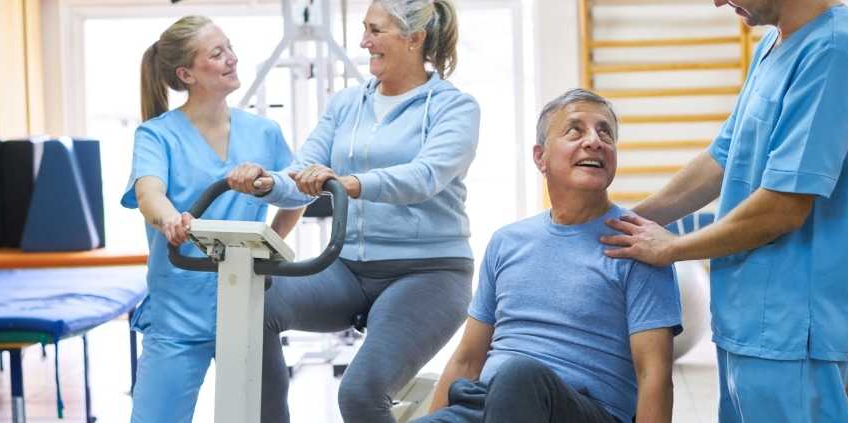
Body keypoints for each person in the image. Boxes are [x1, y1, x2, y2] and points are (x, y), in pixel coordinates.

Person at [600, 1, 848, 422]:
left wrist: (672, 248)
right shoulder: (771, 44)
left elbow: (782, 209)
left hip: (791, 327)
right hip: (746, 321)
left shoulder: (832, 52)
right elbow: (721, 158)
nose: (717, 0)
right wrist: (624, 223)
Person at [224, 1, 480, 421]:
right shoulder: (346, 104)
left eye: (375, 30)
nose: (364, 42)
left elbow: (425, 176)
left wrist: (350, 184)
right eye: (364, 29)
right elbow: (301, 172)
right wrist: (268, 183)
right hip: (346, 269)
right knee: (254, 305)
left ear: (415, 39)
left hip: (428, 273)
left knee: (360, 393)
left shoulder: (454, 106)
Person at [416, 89, 682, 423]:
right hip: (485, 406)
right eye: (575, 130)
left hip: (583, 412)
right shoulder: (506, 242)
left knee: (519, 376)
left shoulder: (639, 245)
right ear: (540, 157)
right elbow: (467, 360)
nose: (595, 141)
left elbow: (653, 375)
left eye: (606, 133)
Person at [120, 15, 305, 423]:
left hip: (246, 304)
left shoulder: (264, 133)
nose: (232, 59)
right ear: (186, 73)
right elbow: (149, 193)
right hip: (179, 308)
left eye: (230, 48)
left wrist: (272, 246)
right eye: (217, 53)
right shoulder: (156, 135)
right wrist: (170, 220)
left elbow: (296, 194)